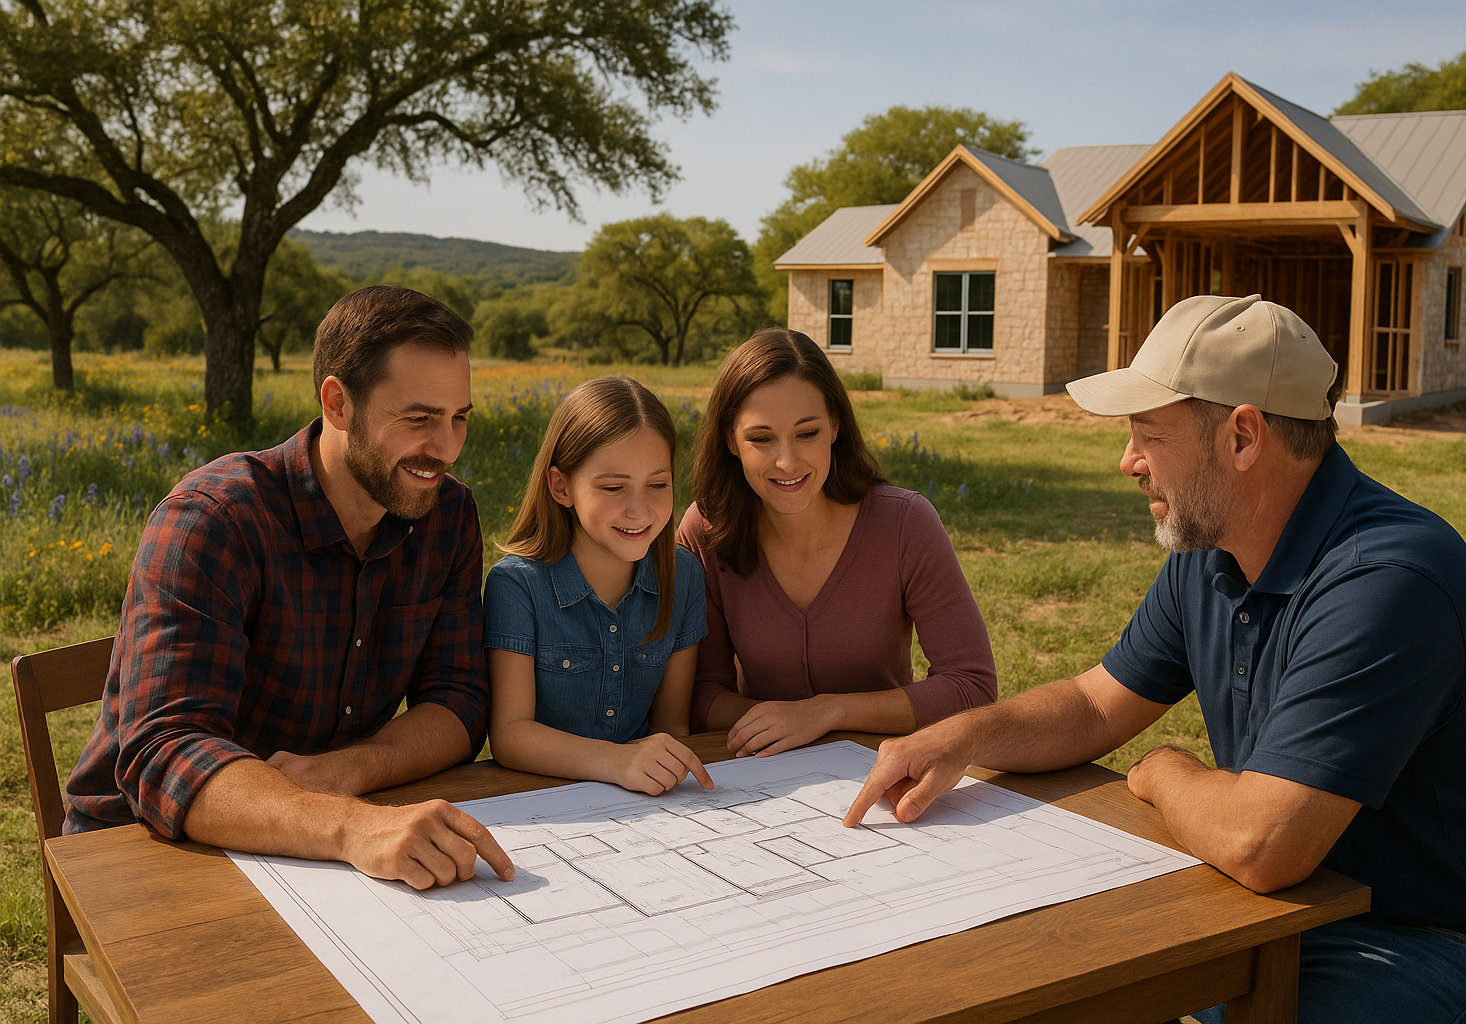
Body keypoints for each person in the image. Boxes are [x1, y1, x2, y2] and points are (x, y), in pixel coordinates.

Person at [845, 293, 1466, 1023]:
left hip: (1454, 949)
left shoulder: (1388, 577)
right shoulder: (1214, 550)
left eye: (1149, 435)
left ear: (1242, 437)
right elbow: (1094, 704)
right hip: (1298, 917)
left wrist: (1168, 771)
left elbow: (1261, 841)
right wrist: (963, 737)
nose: (1128, 462)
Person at [66, 286, 514, 891]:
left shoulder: (446, 513)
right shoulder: (213, 519)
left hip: (319, 850)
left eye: (459, 418)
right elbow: (163, 754)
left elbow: (459, 700)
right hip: (146, 850)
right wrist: (350, 826)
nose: (446, 448)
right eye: (418, 419)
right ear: (337, 402)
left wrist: (343, 774)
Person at [679, 328, 996, 757]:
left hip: (886, 773)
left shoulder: (906, 523)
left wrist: (826, 713)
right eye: (761, 438)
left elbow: (971, 686)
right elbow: (699, 696)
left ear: (835, 425)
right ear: (730, 441)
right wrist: (782, 725)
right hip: (759, 776)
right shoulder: (705, 532)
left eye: (806, 433)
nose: (787, 461)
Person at [483, 376, 713, 795]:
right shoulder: (517, 585)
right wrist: (617, 761)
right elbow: (510, 735)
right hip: (546, 803)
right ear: (561, 486)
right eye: (613, 487)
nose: (639, 509)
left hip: (648, 803)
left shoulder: (683, 577)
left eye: (658, 484)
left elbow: (672, 725)